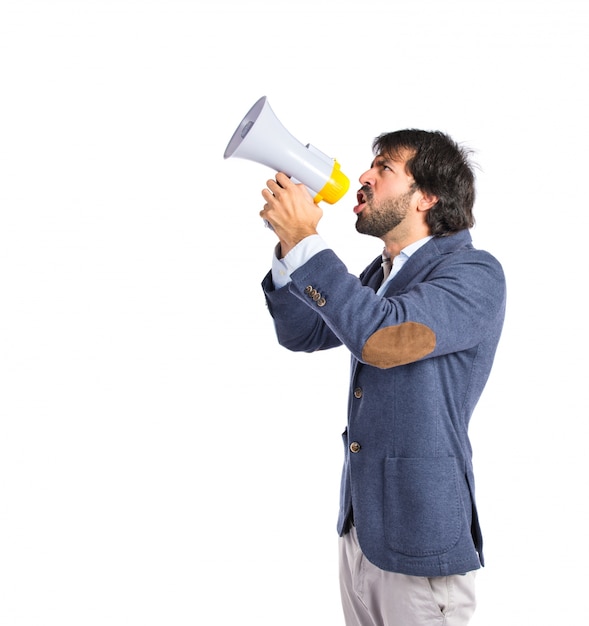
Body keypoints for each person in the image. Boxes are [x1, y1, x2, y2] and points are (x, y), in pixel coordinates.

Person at [259, 128, 506, 626]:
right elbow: (302, 332)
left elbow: (383, 339)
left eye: (384, 169)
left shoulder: (474, 273)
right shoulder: (382, 274)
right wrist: (291, 249)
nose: (363, 177)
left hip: (420, 539)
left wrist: (309, 241)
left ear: (428, 197)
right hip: (361, 533)